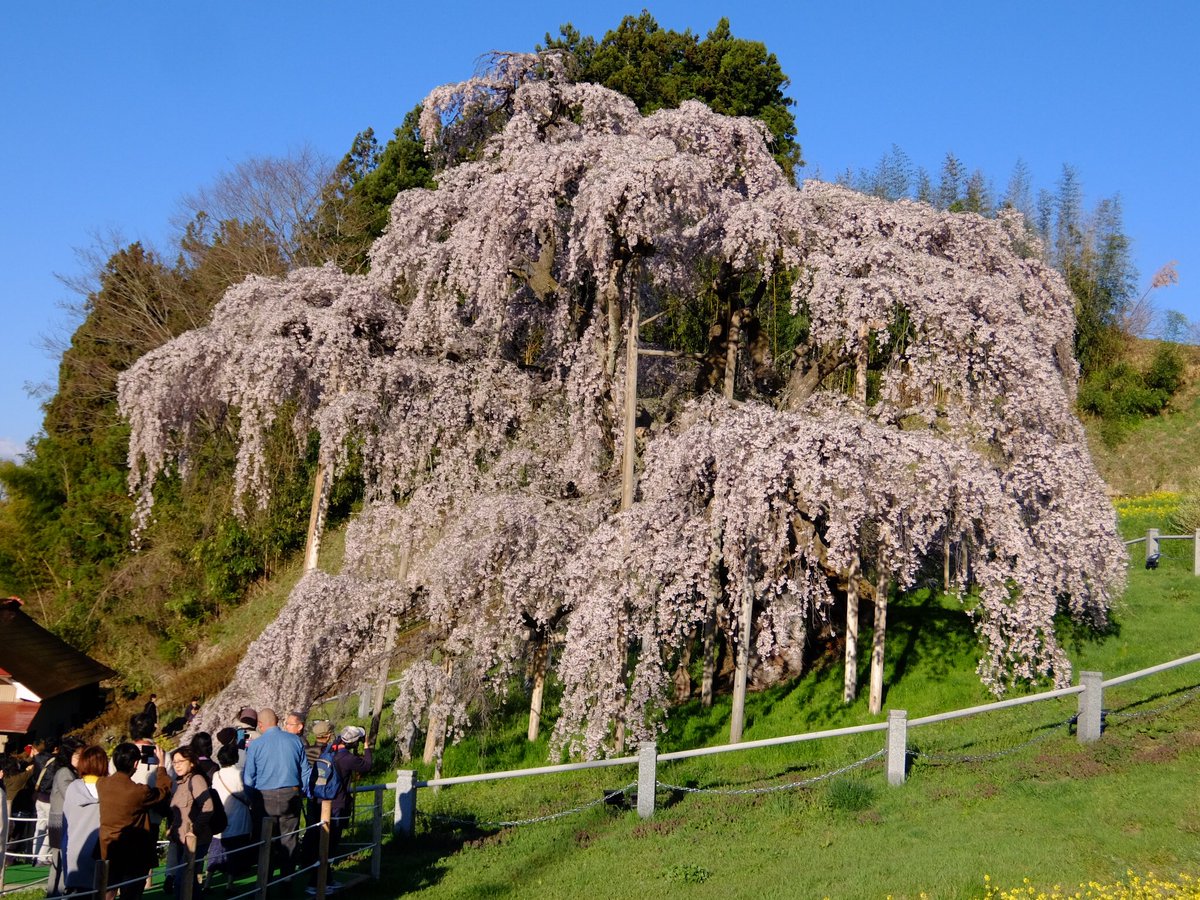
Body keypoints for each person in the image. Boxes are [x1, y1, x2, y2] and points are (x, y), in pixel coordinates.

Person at [243, 708, 310, 884]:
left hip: (265, 797)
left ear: (260, 725)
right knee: (289, 839)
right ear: (278, 721)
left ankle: (264, 883)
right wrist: (304, 792)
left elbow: (249, 777)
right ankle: (287, 880)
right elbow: (305, 772)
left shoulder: (256, 745)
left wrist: (252, 798)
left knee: (266, 841)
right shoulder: (295, 740)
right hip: (291, 793)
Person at [303, 724, 372, 895]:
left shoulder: (330, 751)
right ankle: (316, 883)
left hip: (320, 801)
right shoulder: (347, 758)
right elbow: (367, 765)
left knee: (322, 842)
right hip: (336, 804)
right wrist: (366, 746)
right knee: (330, 845)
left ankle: (326, 879)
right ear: (353, 742)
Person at [97, 743, 170, 900]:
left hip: (107, 847)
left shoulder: (102, 784)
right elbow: (162, 792)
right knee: (131, 893)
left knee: (107, 892)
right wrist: (161, 766)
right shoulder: (138, 792)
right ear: (136, 764)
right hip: (134, 851)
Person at [167, 748, 218, 899]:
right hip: (181, 840)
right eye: (174, 762)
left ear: (191, 762)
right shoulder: (179, 782)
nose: (177, 765)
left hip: (196, 840)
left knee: (182, 880)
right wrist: (172, 829)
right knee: (189, 881)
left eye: (181, 761)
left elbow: (208, 807)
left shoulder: (196, 780)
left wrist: (193, 830)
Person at [62, 745, 107, 892]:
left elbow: (65, 828)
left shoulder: (73, 788)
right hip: (102, 855)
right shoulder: (110, 789)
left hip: (75, 853)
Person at [207, 744, 252, 890]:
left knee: (215, 854)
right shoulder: (241, 774)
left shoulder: (216, 775)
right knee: (235, 854)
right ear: (236, 757)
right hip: (239, 818)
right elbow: (247, 795)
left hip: (220, 819)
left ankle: (207, 883)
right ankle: (229, 884)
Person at [46, 737, 84, 897]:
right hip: (60, 823)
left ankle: (55, 893)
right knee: (60, 863)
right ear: (69, 755)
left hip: (62, 823)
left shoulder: (70, 772)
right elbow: (71, 794)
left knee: (60, 863)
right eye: (78, 755)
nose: (81, 758)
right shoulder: (64, 772)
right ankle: (56, 894)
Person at [31, 738, 52, 865]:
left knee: (40, 826)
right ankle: (42, 857)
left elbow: (35, 777)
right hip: (49, 798)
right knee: (52, 829)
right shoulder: (54, 761)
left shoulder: (37, 759)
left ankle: (34, 855)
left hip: (39, 796)